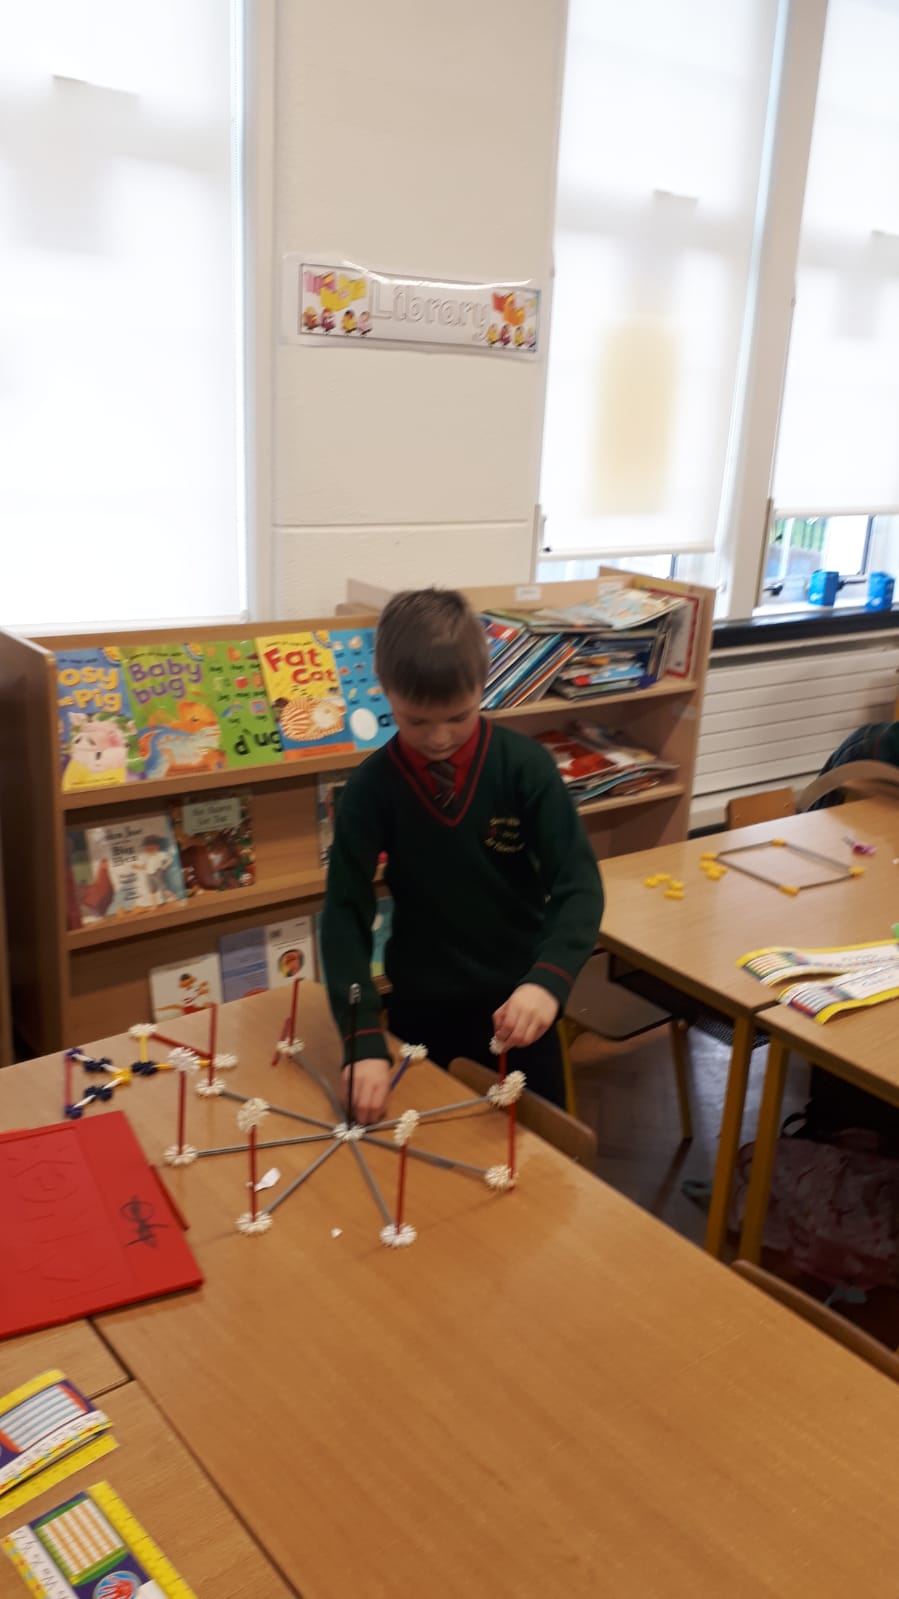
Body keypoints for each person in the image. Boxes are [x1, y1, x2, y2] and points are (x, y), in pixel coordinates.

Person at [320, 587, 605, 1123]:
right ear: (383, 688)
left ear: (483, 683)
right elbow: (344, 915)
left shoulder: (525, 768)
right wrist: (361, 1037)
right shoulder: (370, 789)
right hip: (420, 1012)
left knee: (539, 1160)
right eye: (415, 721)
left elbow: (579, 886)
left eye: (458, 716)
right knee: (427, 1156)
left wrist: (548, 980)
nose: (439, 738)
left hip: (521, 1007)